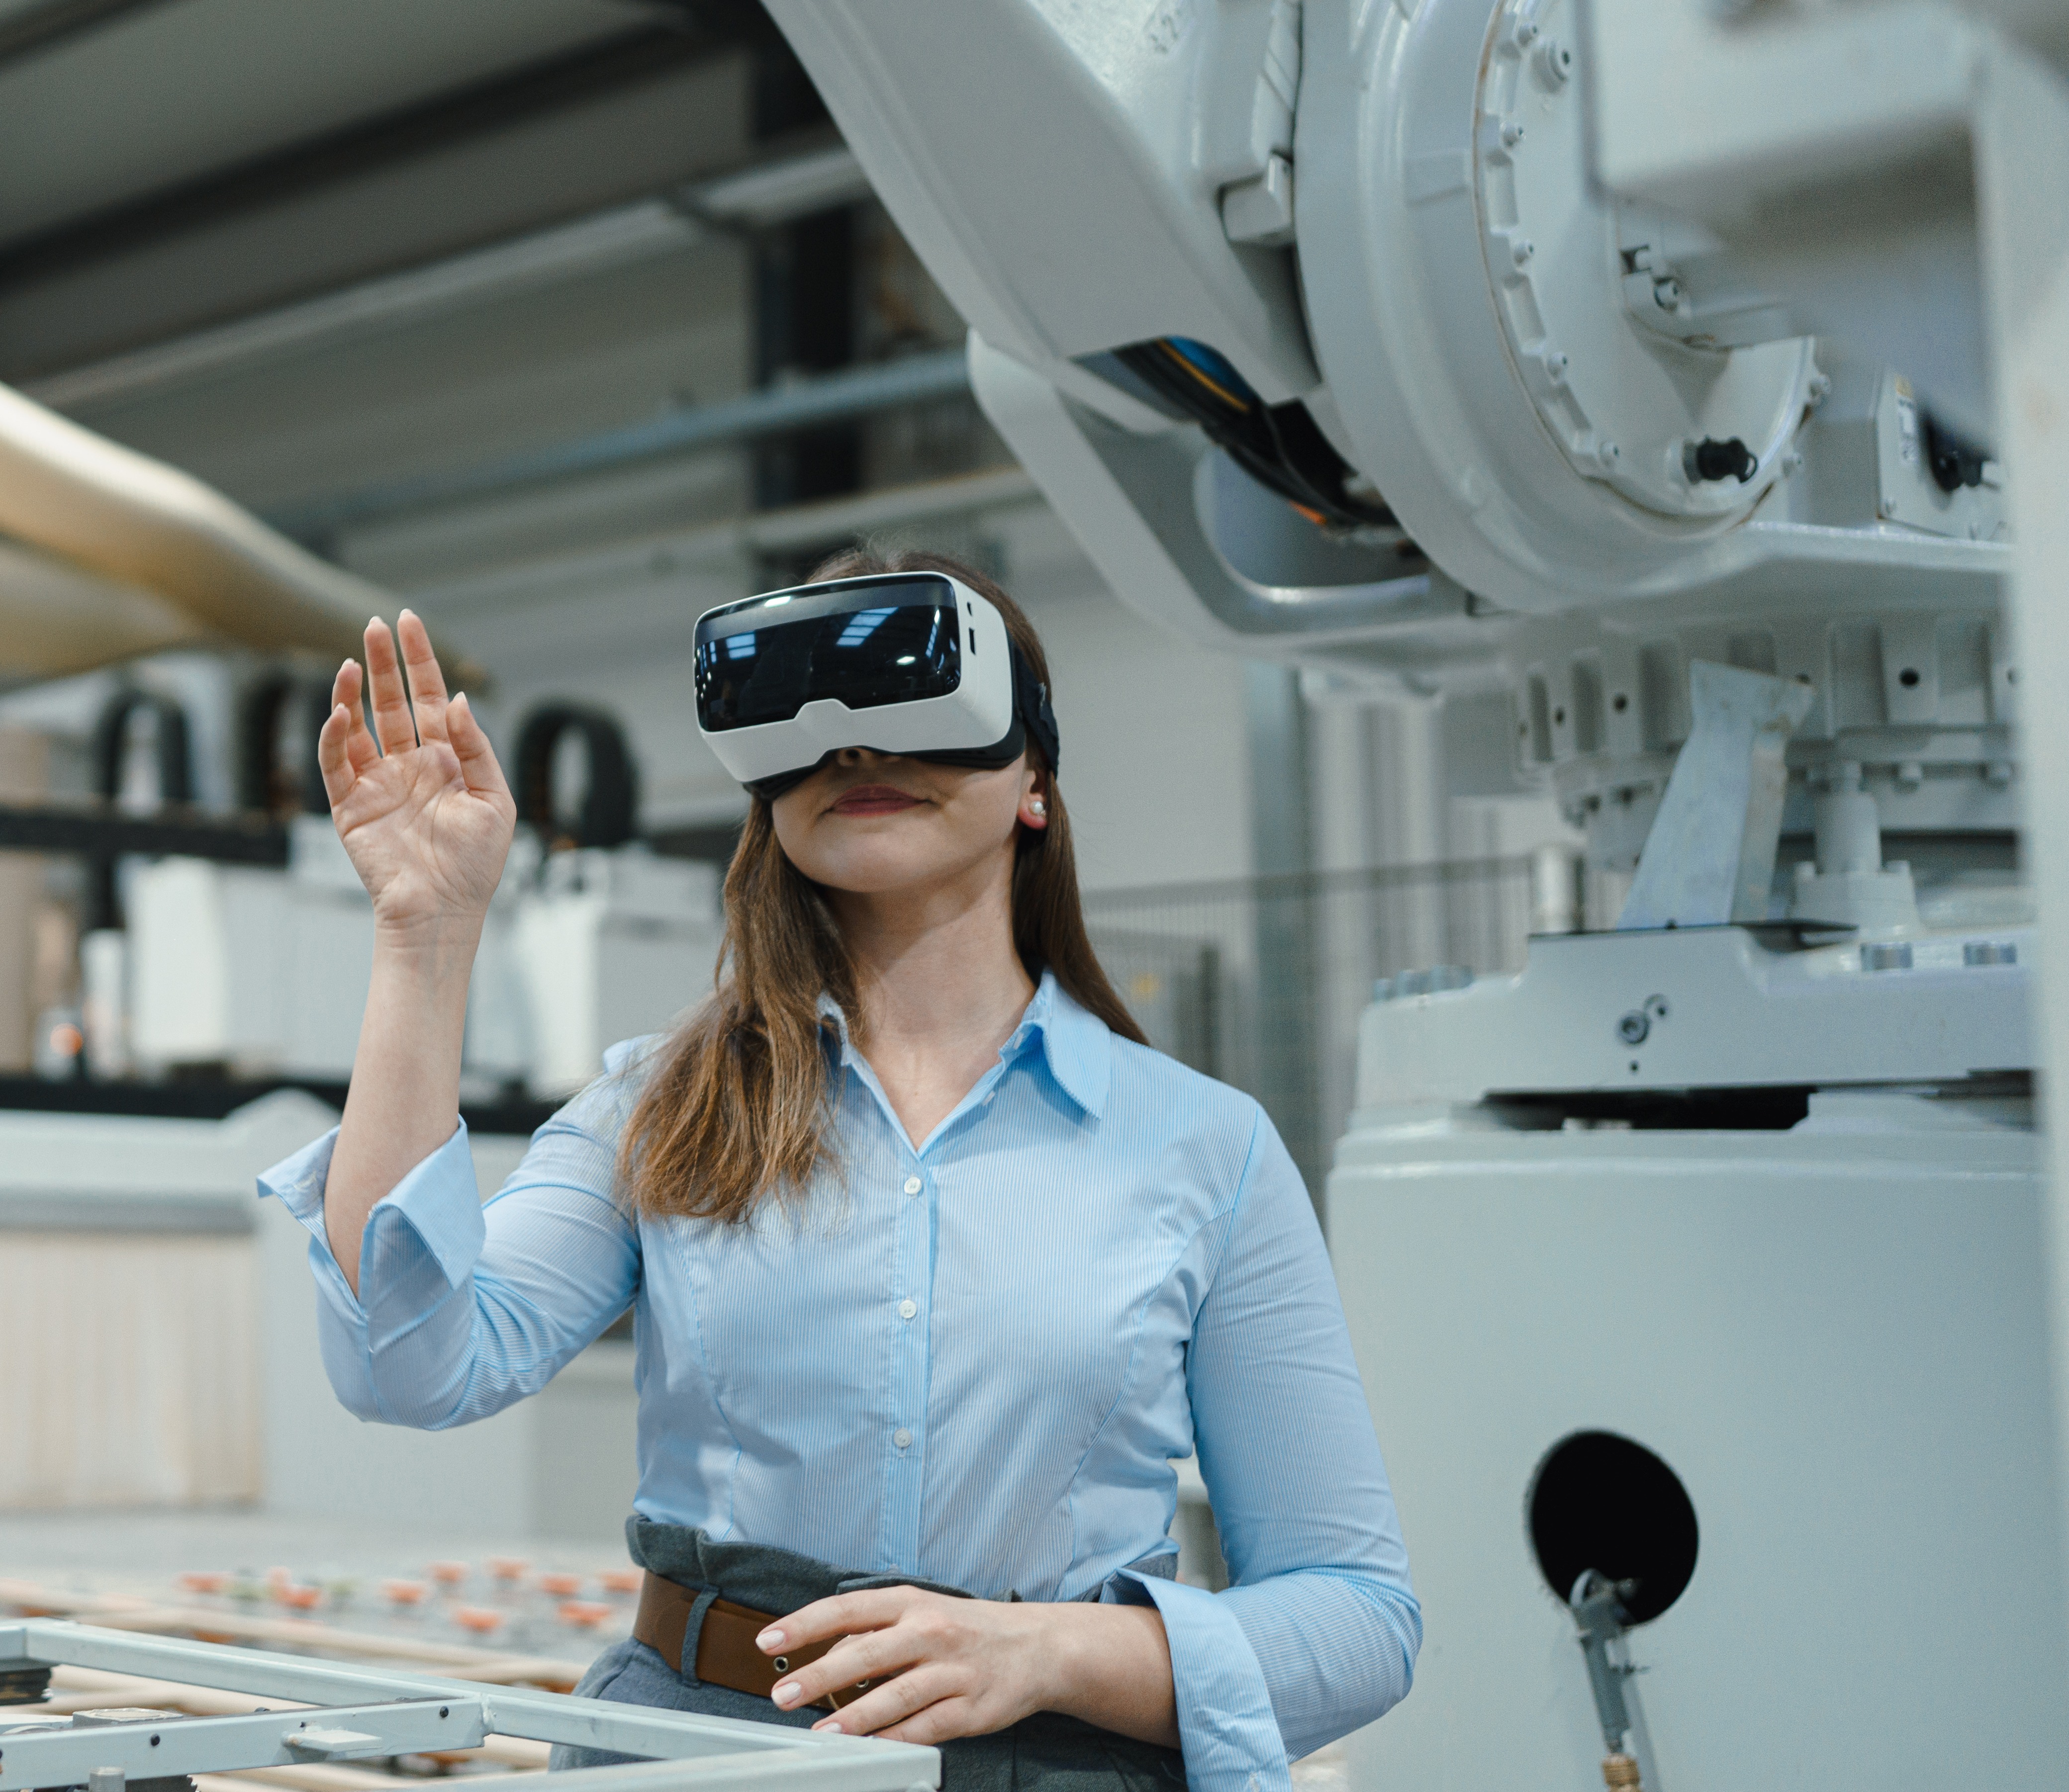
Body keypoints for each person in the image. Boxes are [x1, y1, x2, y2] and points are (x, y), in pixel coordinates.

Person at [261, 547, 1416, 1792]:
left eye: (905, 701)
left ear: (1032, 779)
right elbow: (405, 1362)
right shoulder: (664, 1101)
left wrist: (1054, 1648)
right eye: (810, 720)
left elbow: (1358, 1614)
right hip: (692, 1756)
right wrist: (423, 933)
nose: (855, 750)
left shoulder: (1206, 1148)